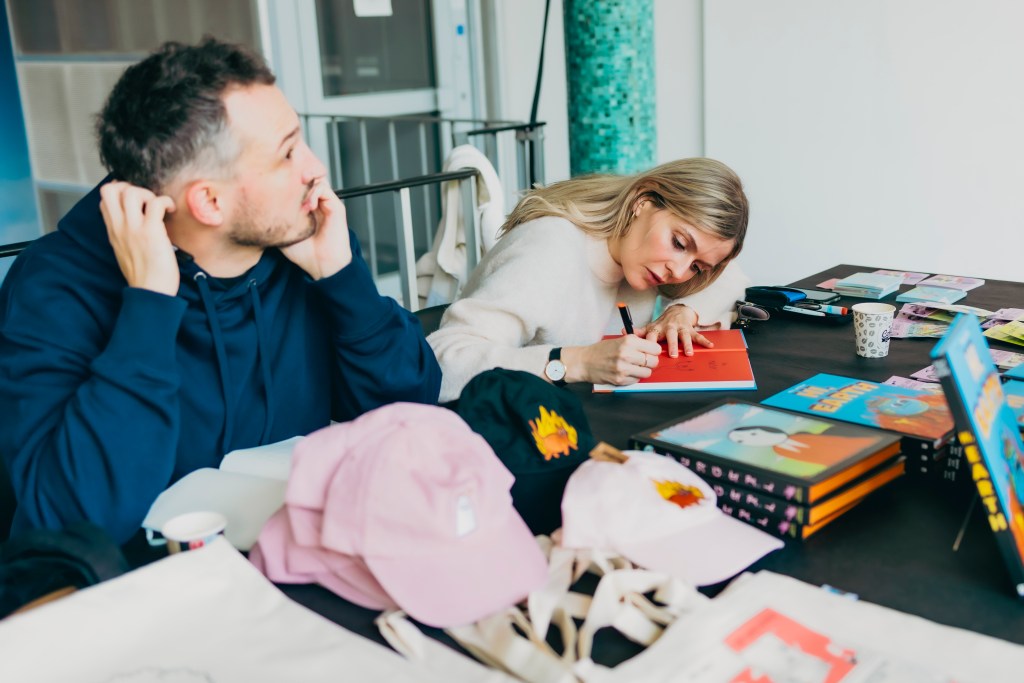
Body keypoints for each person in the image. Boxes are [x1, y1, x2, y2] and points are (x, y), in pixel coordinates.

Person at [0, 38, 441, 543]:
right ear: (209, 202)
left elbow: (412, 414)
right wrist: (149, 308)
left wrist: (343, 279)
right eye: (288, 153)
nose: (315, 169)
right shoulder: (54, 289)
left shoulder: (304, 244)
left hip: (301, 559)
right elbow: (69, 523)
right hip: (153, 581)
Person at [428, 158, 750, 402]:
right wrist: (577, 362)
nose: (679, 272)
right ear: (642, 201)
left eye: (697, 267)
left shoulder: (634, 257)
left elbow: (731, 277)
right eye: (679, 243)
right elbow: (442, 365)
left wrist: (681, 312)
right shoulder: (549, 249)